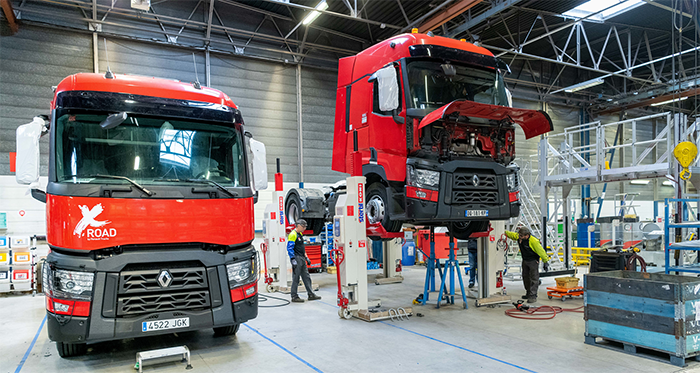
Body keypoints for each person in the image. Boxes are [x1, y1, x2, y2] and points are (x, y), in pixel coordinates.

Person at [504, 227, 550, 303]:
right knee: (525, 277)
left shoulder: (533, 241)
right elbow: (512, 235)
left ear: (527, 235)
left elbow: (541, 251)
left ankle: (533, 296)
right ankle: (528, 293)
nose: (519, 237)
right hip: (525, 260)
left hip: (533, 261)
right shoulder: (519, 237)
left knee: (534, 278)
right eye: (519, 235)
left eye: (521, 236)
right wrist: (503, 231)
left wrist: (545, 262)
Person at [287, 219, 322, 303]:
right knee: (296, 278)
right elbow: (289, 248)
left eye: (305, 227)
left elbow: (302, 248)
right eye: (303, 226)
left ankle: (311, 294)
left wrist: (307, 257)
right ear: (298, 225)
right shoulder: (293, 234)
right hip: (297, 258)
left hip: (302, 258)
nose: (304, 228)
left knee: (306, 277)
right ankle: (294, 296)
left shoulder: (300, 234)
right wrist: (292, 259)